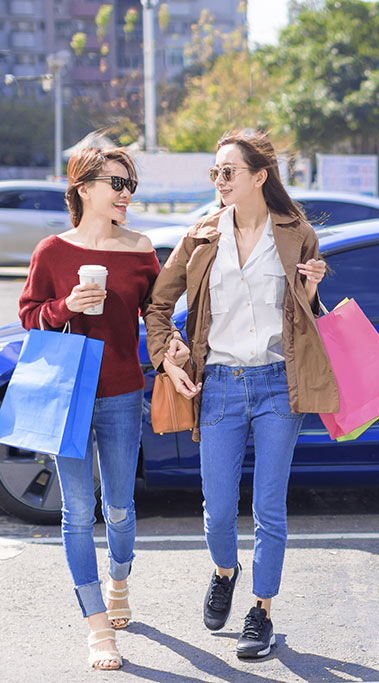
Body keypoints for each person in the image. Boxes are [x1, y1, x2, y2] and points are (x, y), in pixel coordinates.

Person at [144, 129, 338, 659]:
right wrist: (167, 353)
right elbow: (157, 305)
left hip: (278, 382)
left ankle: (262, 611)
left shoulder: (296, 233)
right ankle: (225, 571)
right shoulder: (202, 235)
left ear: (259, 176)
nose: (219, 180)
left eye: (228, 171)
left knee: (269, 505)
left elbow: (306, 317)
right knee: (218, 508)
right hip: (220, 385)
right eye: (215, 172)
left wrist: (312, 290)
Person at [18, 146, 168, 670]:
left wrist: (171, 347)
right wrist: (65, 307)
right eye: (116, 183)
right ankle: (97, 627)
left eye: (130, 185)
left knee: (120, 507)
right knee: (78, 511)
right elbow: (29, 315)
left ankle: (118, 579)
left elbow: (158, 314)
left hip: (123, 392)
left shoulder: (141, 249)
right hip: (67, 392)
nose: (126, 194)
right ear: (84, 188)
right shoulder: (52, 251)